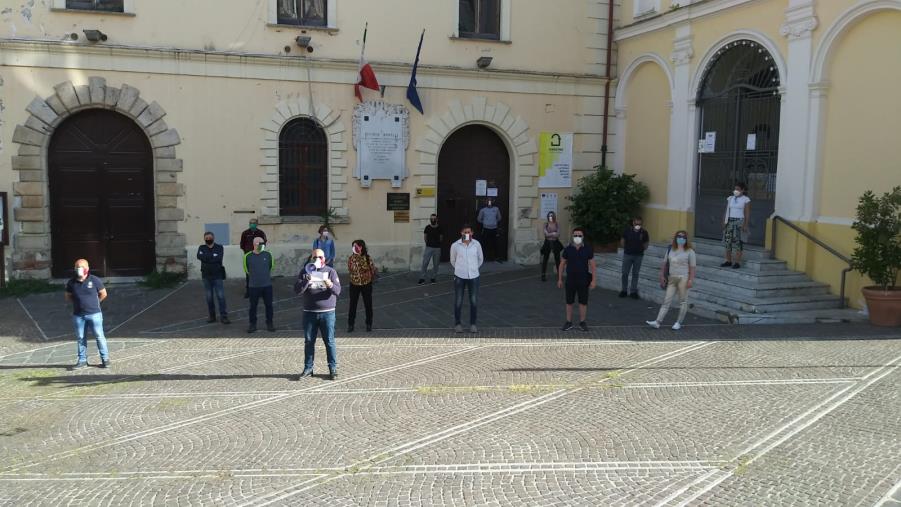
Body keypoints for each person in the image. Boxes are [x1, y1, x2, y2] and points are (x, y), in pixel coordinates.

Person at [294, 248, 342, 380]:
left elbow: (338, 291)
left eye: (320, 257)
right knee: (309, 341)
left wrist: (330, 284)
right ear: (311, 258)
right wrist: (306, 281)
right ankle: (308, 368)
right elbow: (297, 290)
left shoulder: (331, 271)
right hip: (309, 312)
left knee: (330, 341)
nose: (317, 259)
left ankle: (332, 368)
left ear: (324, 259)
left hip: (327, 313)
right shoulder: (305, 271)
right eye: (315, 257)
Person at [646, 230, 697, 330]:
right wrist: (662, 276)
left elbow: (692, 268)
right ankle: (657, 322)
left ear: (686, 239)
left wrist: (691, 280)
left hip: (683, 278)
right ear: (675, 238)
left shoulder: (690, 251)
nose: (681, 239)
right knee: (666, 300)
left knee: (683, 301)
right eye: (679, 236)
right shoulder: (671, 249)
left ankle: (678, 322)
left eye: (683, 237)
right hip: (672, 278)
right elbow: (664, 263)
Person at [65, 259, 110, 369]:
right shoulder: (71, 282)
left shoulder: (94, 280)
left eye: (81, 267)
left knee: (99, 336)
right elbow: (68, 296)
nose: (79, 269)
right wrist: (78, 304)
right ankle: (82, 360)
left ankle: (105, 359)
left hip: (94, 314)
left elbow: (103, 293)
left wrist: (95, 303)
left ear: (87, 268)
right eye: (77, 267)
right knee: (80, 338)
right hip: (78, 315)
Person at [557, 227, 597, 332]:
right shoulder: (568, 249)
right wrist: (560, 279)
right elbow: (562, 264)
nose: (577, 237)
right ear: (572, 236)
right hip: (570, 279)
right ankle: (568, 322)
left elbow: (593, 265)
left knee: (583, 302)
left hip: (583, 279)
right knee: (569, 301)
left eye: (579, 235)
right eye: (575, 235)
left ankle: (582, 322)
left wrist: (593, 280)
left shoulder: (588, 249)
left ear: (583, 237)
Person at [450, 224, 483, 333]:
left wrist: (473, 268)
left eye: (469, 232)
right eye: (465, 232)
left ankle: (473, 324)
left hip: (474, 276)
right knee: (458, 301)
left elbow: (480, 259)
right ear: (461, 233)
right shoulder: (455, 245)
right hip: (460, 276)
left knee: (473, 301)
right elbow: (453, 260)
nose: (467, 234)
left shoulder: (476, 244)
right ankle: (457, 324)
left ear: (472, 233)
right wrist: (460, 269)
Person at [197, 231, 230, 324]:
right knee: (209, 297)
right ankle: (212, 316)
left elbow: (218, 258)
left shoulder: (219, 247)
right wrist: (212, 257)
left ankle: (224, 316)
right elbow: (199, 256)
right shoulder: (201, 247)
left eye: (209, 237)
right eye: (206, 238)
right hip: (206, 276)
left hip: (217, 275)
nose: (208, 239)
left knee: (221, 296)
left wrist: (206, 257)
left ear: (213, 238)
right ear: (204, 239)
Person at [243, 237, 275, 333]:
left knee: (269, 305)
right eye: (260, 243)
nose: (262, 244)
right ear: (255, 244)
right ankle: (252, 324)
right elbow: (247, 270)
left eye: (263, 243)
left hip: (267, 285)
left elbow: (271, 267)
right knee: (253, 306)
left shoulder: (268, 254)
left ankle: (270, 323)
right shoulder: (247, 256)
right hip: (253, 286)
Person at [347, 239, 375, 332]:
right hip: (354, 284)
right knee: (353, 305)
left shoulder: (367, 257)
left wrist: (360, 258)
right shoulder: (351, 258)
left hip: (366, 283)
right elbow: (351, 269)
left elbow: (371, 268)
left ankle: (369, 323)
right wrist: (356, 258)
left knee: (368, 304)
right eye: (353, 247)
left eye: (356, 247)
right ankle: (350, 324)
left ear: (361, 247)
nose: (354, 248)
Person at [620, 216, 650, 299]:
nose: (638, 225)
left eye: (640, 224)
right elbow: (622, 240)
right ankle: (624, 290)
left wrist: (642, 248)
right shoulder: (627, 231)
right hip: (628, 255)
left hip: (639, 256)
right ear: (633, 223)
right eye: (636, 223)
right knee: (625, 273)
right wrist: (626, 248)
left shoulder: (644, 232)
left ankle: (633, 291)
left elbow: (646, 242)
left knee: (635, 274)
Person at [722, 182, 751, 269]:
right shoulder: (730, 198)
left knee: (739, 242)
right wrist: (724, 221)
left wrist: (745, 225)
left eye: (738, 189)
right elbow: (726, 210)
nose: (736, 191)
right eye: (735, 189)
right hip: (729, 221)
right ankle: (728, 260)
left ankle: (737, 262)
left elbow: (747, 213)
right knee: (728, 241)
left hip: (739, 222)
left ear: (742, 190)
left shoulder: (746, 199)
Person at [240, 218, 267, 298]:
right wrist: (248, 253)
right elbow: (242, 244)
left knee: (259, 274)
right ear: (249, 224)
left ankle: (260, 291)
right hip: (249, 257)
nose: (252, 224)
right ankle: (249, 291)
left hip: (259, 257)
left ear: (257, 224)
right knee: (249, 275)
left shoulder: (261, 233)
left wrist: (259, 252)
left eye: (254, 223)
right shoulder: (245, 233)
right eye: (251, 223)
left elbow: (264, 243)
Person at [418, 213, 442, 285]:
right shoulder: (427, 227)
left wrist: (437, 244)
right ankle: (422, 278)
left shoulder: (440, 228)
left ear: (437, 219)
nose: (433, 220)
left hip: (437, 248)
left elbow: (441, 238)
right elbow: (425, 237)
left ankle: (433, 278)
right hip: (429, 247)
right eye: (431, 218)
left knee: (436, 264)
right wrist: (428, 244)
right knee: (425, 263)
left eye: (434, 218)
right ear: (430, 219)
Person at [540, 211, 563, 282]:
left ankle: (559, 276)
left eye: (552, 216)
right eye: (549, 216)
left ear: (554, 216)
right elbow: (546, 234)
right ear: (548, 217)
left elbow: (558, 234)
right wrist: (553, 233)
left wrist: (551, 233)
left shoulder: (557, 224)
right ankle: (543, 275)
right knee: (545, 259)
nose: (550, 217)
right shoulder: (545, 224)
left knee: (557, 260)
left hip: (555, 243)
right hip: (547, 243)